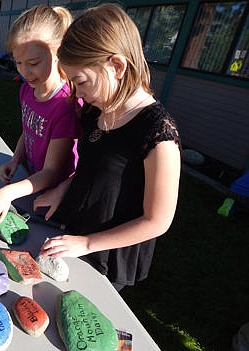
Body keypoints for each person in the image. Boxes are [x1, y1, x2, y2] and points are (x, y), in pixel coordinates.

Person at [35, 3, 181, 291]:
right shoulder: (95, 112)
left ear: (116, 66)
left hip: (108, 252)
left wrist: (89, 243)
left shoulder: (158, 134)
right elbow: (91, 168)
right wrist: (62, 189)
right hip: (75, 233)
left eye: (81, 82)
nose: (79, 94)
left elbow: (157, 221)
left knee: (97, 322)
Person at [0, 5, 81, 226]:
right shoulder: (26, 90)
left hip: (54, 195)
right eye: (18, 62)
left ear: (57, 53)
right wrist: (16, 159)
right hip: (29, 181)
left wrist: (8, 193)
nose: (24, 72)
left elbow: (52, 172)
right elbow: (29, 130)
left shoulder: (64, 105)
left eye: (33, 63)